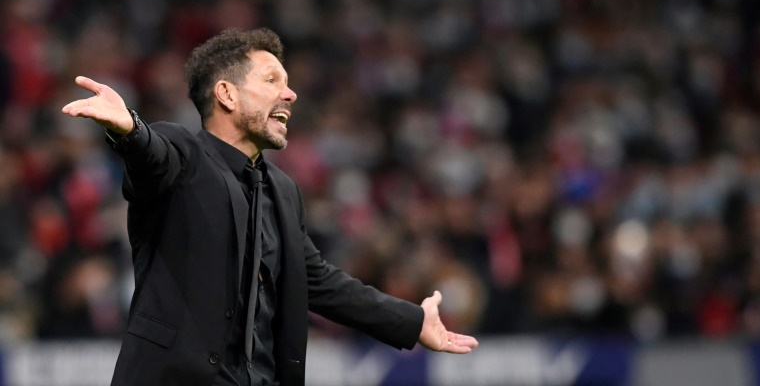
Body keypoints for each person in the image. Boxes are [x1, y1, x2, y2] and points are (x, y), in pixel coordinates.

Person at [61, 28, 478, 386]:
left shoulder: (283, 190)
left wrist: (411, 321)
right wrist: (131, 130)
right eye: (272, 80)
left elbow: (319, 282)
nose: (289, 94)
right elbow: (153, 155)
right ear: (226, 94)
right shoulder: (182, 153)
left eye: (288, 83)